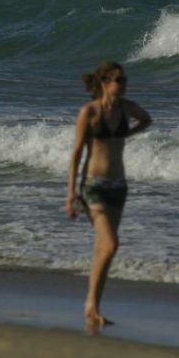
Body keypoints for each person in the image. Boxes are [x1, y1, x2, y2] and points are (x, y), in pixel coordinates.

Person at [65, 61, 152, 330]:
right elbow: (77, 154)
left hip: (118, 187)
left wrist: (129, 131)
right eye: (119, 80)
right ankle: (91, 305)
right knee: (111, 244)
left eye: (125, 80)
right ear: (105, 83)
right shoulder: (88, 112)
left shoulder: (127, 108)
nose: (124, 84)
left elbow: (147, 119)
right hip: (94, 187)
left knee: (104, 249)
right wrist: (70, 194)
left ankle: (92, 307)